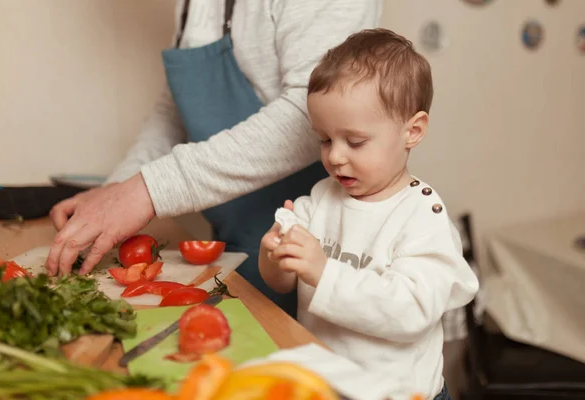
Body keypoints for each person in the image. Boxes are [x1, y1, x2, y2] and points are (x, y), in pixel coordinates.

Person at [45, 0, 382, 317]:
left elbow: (307, 117)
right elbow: (175, 110)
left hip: (305, 243)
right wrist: (121, 186)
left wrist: (146, 191)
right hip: (230, 236)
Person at [258, 29, 479, 400]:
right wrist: (276, 260)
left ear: (413, 131)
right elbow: (283, 283)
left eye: (355, 141)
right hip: (324, 385)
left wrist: (324, 272)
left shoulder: (423, 216)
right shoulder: (322, 197)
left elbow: (410, 312)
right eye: (325, 139)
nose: (335, 156)